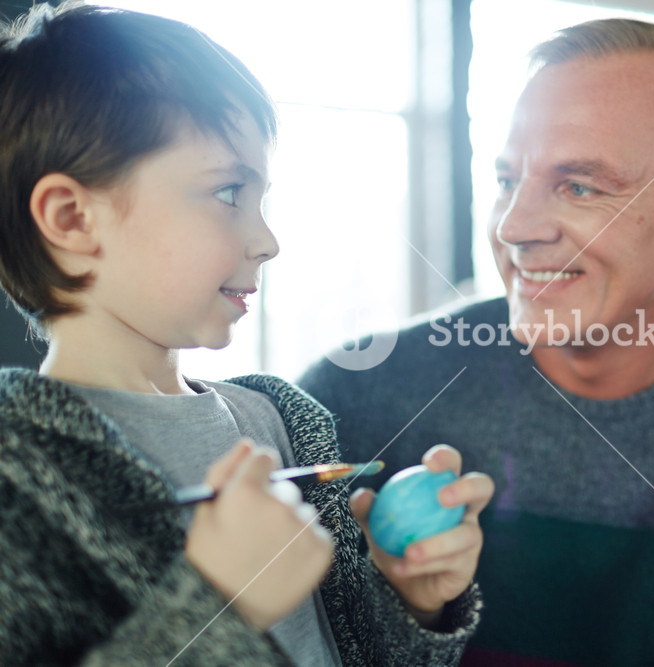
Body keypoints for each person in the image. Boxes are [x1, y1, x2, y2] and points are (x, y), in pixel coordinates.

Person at [299, 18, 654, 666]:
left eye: (579, 186)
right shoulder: (343, 404)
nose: (515, 226)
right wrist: (409, 611)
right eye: (506, 180)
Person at [0, 4, 494, 665]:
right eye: (229, 192)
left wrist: (414, 601)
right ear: (71, 217)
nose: (268, 241)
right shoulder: (16, 469)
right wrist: (216, 603)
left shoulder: (281, 418)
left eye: (261, 200)